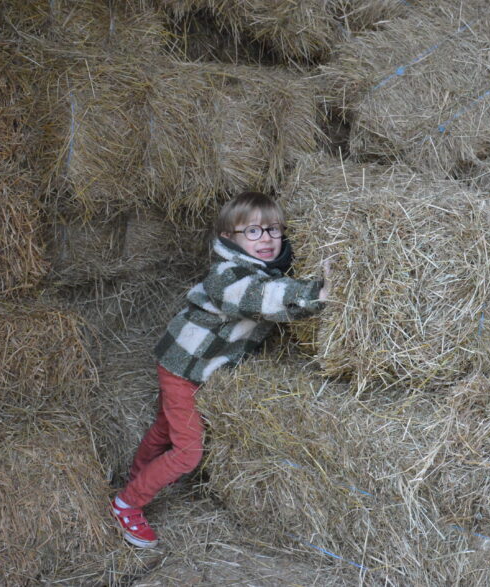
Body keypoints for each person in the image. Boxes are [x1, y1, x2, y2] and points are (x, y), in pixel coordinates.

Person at [110, 191, 330, 549]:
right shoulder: (226, 277)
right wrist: (316, 294)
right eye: (253, 232)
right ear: (230, 238)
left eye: (274, 230)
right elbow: (261, 299)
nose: (267, 240)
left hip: (198, 365)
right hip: (185, 366)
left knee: (165, 428)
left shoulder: (264, 271)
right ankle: (127, 504)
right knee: (188, 452)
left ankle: (137, 476)